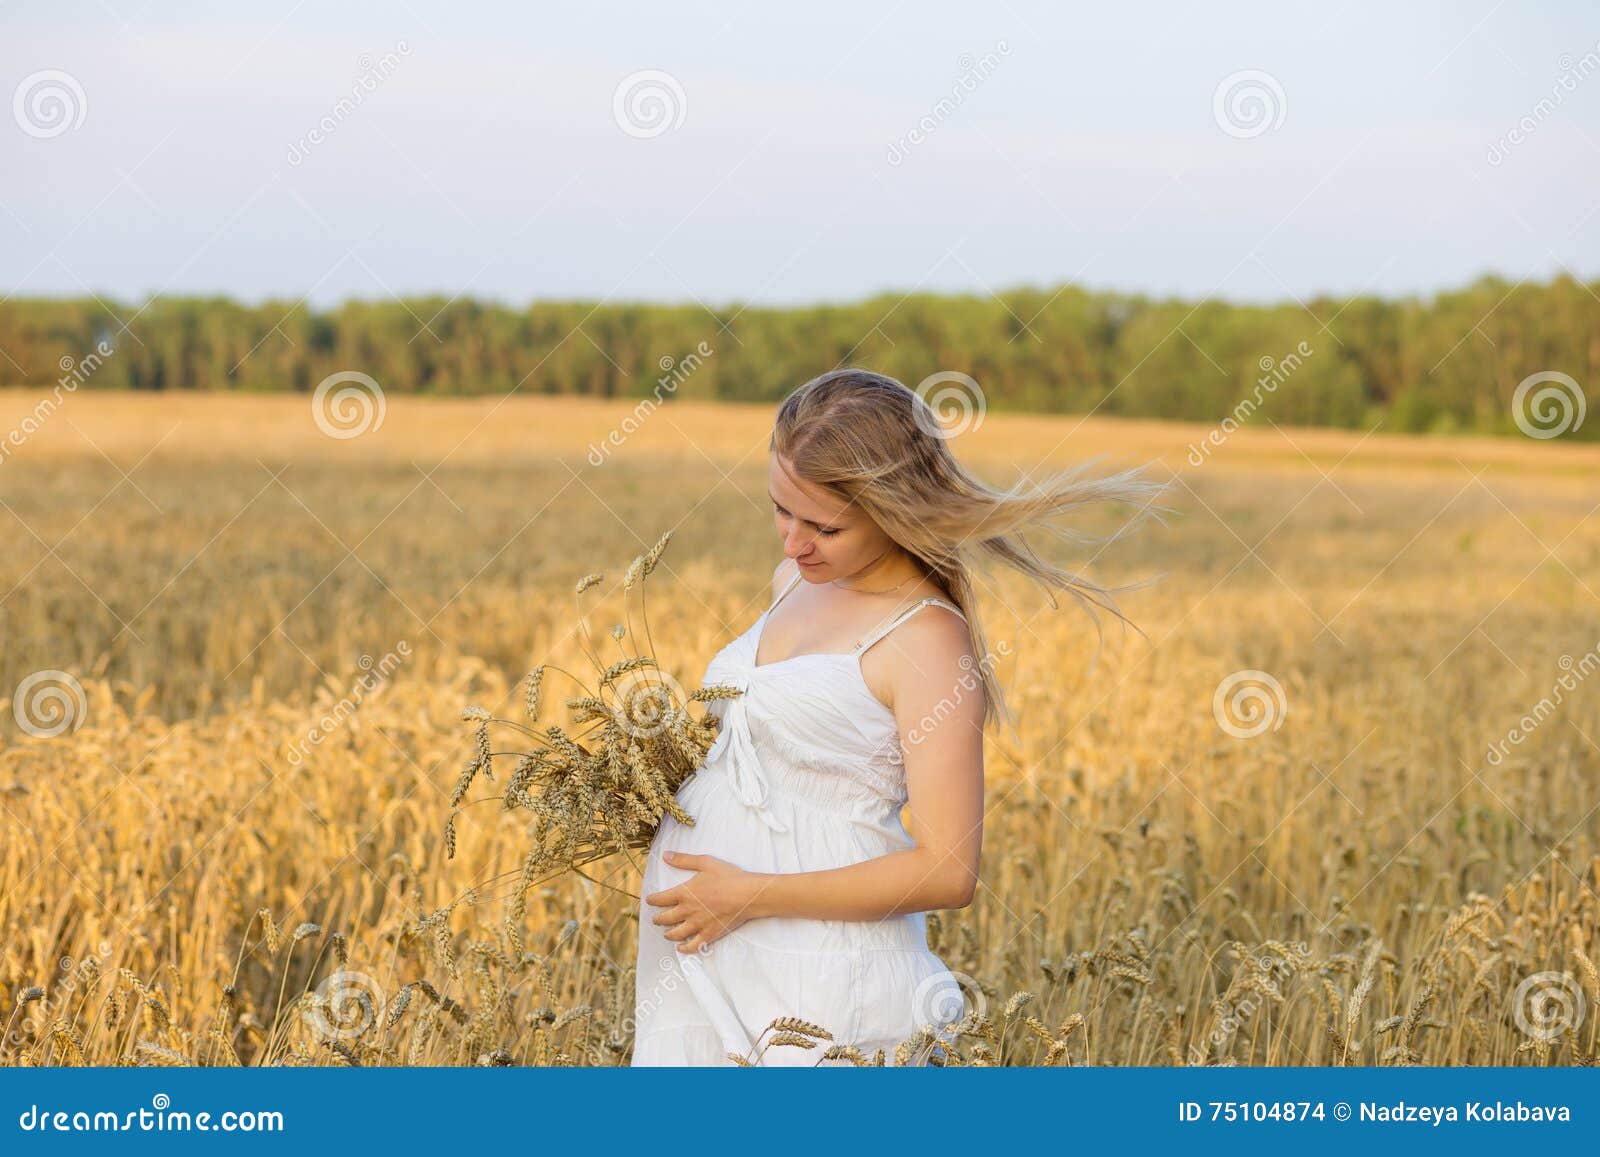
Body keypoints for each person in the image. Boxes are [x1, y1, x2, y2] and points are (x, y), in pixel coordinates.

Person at [631, 367, 1165, 1065]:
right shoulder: (794, 579)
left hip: (819, 975)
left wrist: (751, 895)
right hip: (709, 952)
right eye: (780, 509)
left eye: (825, 525)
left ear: (895, 508)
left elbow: (949, 869)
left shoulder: (927, 641)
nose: (794, 542)